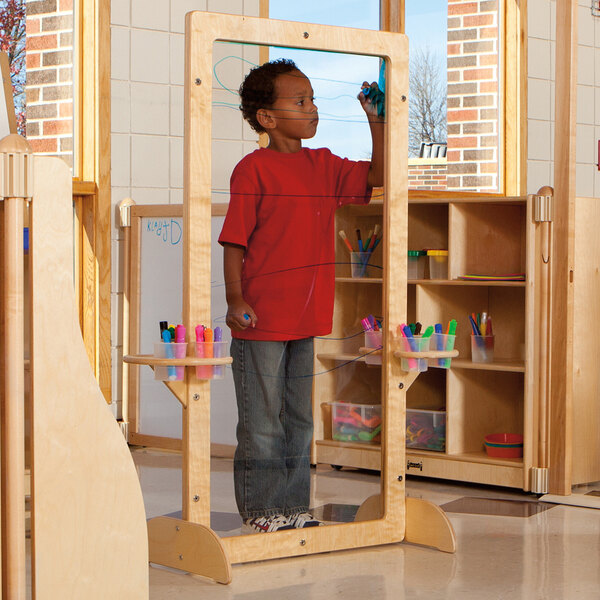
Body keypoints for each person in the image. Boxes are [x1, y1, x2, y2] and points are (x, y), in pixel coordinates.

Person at [218, 58, 384, 533]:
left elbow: (378, 174)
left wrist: (375, 118)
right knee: (262, 423)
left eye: (312, 100)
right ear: (267, 118)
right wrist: (234, 301)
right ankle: (262, 511)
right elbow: (235, 242)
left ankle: (293, 508)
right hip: (261, 320)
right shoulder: (252, 170)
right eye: (300, 101)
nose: (312, 109)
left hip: (307, 318)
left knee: (298, 422)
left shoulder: (324, 165)